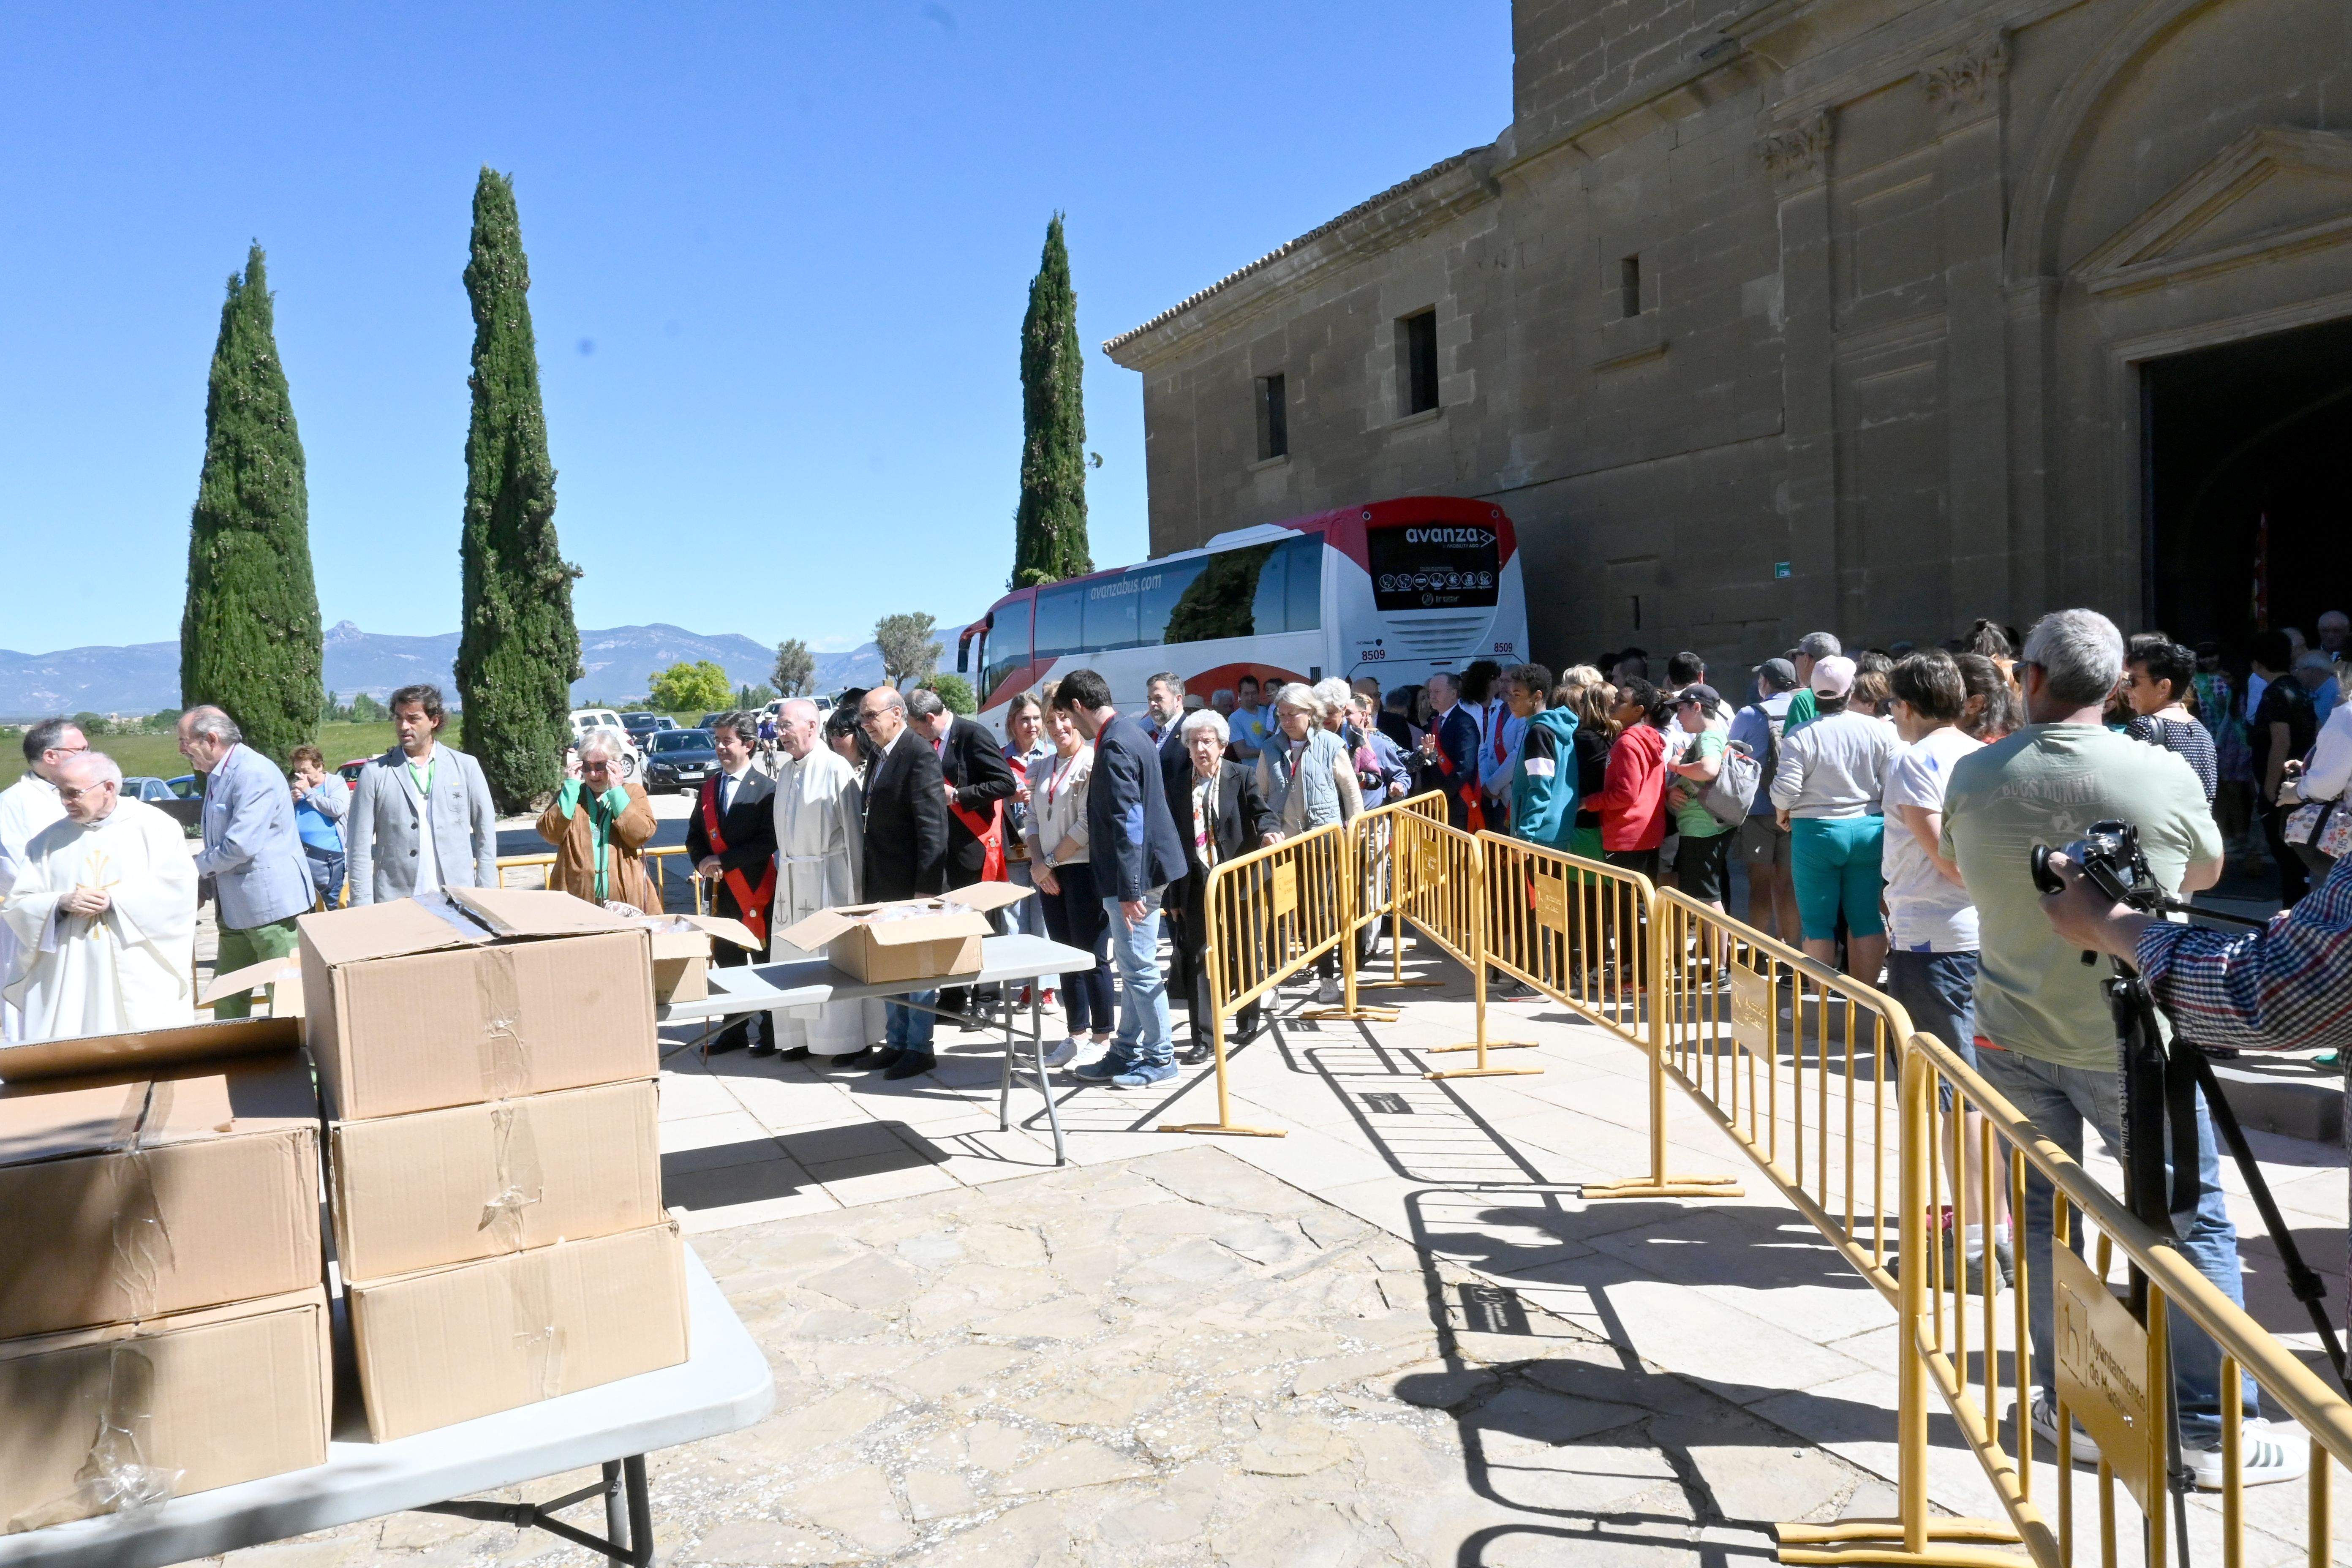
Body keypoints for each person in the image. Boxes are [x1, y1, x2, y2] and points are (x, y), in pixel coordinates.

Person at [1941, 608, 2268, 1481]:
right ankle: (2205, 1425)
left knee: (2046, 1220)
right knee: (2192, 1224)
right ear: (2118, 683)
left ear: (2031, 679)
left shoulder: (1975, 772)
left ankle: (2075, 1399)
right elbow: (2203, 874)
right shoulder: (2157, 768)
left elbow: (1961, 866)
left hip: (2012, 1025)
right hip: (2132, 1035)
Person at [1881, 652, 2006, 1282]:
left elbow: (1947, 862)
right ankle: (1992, 1230)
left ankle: (1982, 1243)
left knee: (1958, 1096)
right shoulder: (1984, 754)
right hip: (1976, 938)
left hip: (1937, 943)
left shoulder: (1918, 760)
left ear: (1906, 706)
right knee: (1975, 1090)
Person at [1051, 670, 1187, 1088]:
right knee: (1132, 967)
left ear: (1077, 706)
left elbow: (1130, 821)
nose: (1068, 726)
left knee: (1139, 968)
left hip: (1135, 878)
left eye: (1066, 716)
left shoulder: (1114, 744)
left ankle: (1161, 1057)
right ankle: (1126, 1051)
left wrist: (1129, 890)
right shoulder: (1131, 731)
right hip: (1140, 873)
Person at [2, 752, 198, 1039]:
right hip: (70, 974)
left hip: (137, 967)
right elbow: (20, 904)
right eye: (61, 793)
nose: (66, 802)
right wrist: (59, 903)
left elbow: (178, 888)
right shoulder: (47, 842)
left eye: (74, 793)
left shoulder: (156, 827)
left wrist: (116, 900)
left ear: (108, 788)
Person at [1769, 656, 1900, 982]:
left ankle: (1821, 1005)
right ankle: (1865, 1001)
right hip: (1869, 829)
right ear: (1851, 689)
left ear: (1813, 693)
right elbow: (1896, 780)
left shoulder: (1801, 735)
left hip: (1815, 833)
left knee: (1816, 924)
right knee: (1867, 918)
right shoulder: (1879, 730)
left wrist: (1783, 810)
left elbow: (1785, 789)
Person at [178, 706, 313, 1020]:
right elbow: (220, 841)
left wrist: (192, 869)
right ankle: (231, 1061)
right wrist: (205, 885)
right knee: (226, 994)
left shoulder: (253, 773)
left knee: (285, 999)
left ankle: (303, 1066)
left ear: (211, 739)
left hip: (271, 910)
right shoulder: (219, 773)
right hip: (235, 908)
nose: (181, 749)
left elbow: (240, 845)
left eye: (185, 740)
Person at [1163, 708, 1277, 1061]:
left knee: (1244, 948)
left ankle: (1247, 1017)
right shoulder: (1178, 784)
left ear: (1223, 744)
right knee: (1198, 956)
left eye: (1207, 742)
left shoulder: (1240, 776)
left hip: (1240, 879)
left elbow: (1262, 812)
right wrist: (1174, 893)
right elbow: (1169, 840)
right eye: (1194, 742)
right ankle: (1205, 1037)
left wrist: (1270, 831)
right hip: (1196, 882)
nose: (1200, 749)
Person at [766, 698, 871, 1064]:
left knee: (831, 959)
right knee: (790, 955)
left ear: (811, 726)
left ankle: (845, 1040)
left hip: (830, 880)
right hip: (793, 879)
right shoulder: (785, 772)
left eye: (786, 727)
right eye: (778, 728)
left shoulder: (835, 768)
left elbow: (855, 835)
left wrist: (857, 894)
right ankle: (798, 1037)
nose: (779, 735)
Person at [856, 687, 950, 1079]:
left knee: (915, 970)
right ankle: (896, 1042)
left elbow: (933, 828)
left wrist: (926, 891)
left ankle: (919, 1047)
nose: (864, 725)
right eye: (862, 718)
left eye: (870, 716)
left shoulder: (918, 754)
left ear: (897, 714)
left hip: (912, 888)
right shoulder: (880, 755)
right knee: (890, 968)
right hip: (882, 883)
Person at [910, 686, 1018, 1014]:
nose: (916, 736)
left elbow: (1005, 783)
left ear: (930, 719)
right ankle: (954, 997)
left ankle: (986, 998)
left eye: (917, 729)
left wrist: (958, 796)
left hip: (974, 848)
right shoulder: (926, 742)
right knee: (950, 926)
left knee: (982, 926)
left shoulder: (972, 734)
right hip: (941, 852)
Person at [1259, 681, 1365, 1006]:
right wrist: (1265, 829)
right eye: (1282, 714)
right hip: (1283, 842)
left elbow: (1350, 793)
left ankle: (1327, 977)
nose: (1287, 720)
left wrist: (1354, 831)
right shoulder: (1270, 748)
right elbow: (1262, 795)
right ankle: (1273, 982)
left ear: (1311, 713)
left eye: (1293, 714)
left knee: (1320, 911)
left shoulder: (1332, 745)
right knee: (1281, 912)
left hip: (1323, 841)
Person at [346, 684, 498, 907]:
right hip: (397, 903)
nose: (403, 726)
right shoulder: (375, 773)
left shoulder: (466, 767)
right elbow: (358, 848)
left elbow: (486, 834)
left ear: (434, 721)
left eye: (413, 719)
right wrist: (363, 907)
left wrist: (486, 894)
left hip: (458, 899)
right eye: (398, 718)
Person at [1026, 685, 1112, 1070]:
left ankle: (1102, 1036)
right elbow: (1031, 819)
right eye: (1050, 720)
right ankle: (1076, 1033)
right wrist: (1037, 864)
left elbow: (1086, 825)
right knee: (1064, 957)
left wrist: (1049, 861)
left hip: (1081, 870)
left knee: (1091, 955)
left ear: (1075, 718)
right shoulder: (1044, 765)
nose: (1058, 726)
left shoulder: (1091, 762)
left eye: (1063, 717)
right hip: (1048, 873)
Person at [687, 712, 779, 1055]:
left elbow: (769, 840)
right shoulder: (710, 788)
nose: (721, 748)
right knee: (728, 961)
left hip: (759, 890)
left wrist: (723, 861)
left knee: (766, 962)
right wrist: (701, 862)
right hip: (722, 893)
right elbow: (695, 836)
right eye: (718, 741)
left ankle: (771, 1029)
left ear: (749, 745)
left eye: (727, 740)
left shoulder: (767, 790)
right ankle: (734, 1028)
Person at [0, 719, 86, 1042]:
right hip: (37, 923)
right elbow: (14, 868)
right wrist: (62, 899)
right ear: (51, 756)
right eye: (81, 749)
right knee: (36, 1009)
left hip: (85, 915)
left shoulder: (85, 793)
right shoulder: (15, 803)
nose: (88, 755)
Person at [536, 727, 658, 911]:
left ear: (615, 764)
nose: (593, 774)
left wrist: (617, 792)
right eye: (587, 767)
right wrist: (570, 788)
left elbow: (640, 835)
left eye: (601, 766)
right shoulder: (571, 794)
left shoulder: (633, 792)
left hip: (624, 899)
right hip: (575, 900)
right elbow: (551, 834)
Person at [1729, 660, 1800, 942]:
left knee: (1759, 885)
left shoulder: (1749, 714)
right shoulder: (1804, 709)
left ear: (1766, 683)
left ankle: (1759, 953)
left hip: (1758, 810)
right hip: (1795, 809)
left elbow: (1730, 758)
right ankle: (1792, 955)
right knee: (1789, 886)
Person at [2248, 630, 2317, 903]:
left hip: (2283, 787)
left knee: (2288, 858)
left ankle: (2292, 919)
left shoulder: (2276, 693)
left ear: (2257, 663)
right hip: (2300, 780)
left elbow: (2281, 743)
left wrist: (2268, 790)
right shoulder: (2298, 688)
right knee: (2295, 860)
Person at [1663, 684, 1736, 912]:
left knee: (1709, 897)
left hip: (1702, 829)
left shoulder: (1709, 737)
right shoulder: (1708, 736)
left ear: (1697, 707)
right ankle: (1714, 949)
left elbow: (1708, 769)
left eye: (1681, 709)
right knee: (1703, 896)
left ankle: (1719, 950)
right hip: (1700, 827)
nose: (1678, 716)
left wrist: (1676, 768)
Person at [2124, 637, 2217, 803]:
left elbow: (2130, 793)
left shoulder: (2143, 727)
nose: (2126, 689)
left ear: (2163, 687)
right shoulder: (2201, 731)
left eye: (2133, 681)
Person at [999, 692, 1053, 959]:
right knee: (1014, 914)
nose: (1032, 725)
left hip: (1047, 850)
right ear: (1012, 723)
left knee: (1044, 916)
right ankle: (1020, 985)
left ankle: (1045, 987)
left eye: (1036, 719)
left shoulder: (1054, 755)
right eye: (1024, 719)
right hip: (1013, 850)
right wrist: (1009, 797)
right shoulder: (998, 759)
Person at [1505, 664, 1578, 853]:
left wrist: (1525, 836)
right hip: (1557, 831)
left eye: (1517, 694)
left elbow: (1540, 789)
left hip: (1539, 838)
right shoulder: (1551, 728)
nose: (1510, 700)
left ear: (1537, 696)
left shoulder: (1538, 733)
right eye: (1510, 693)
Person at [1418, 670, 1483, 830]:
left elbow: (1465, 766)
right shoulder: (1434, 723)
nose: (1432, 696)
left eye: (1438, 692)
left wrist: (1443, 794)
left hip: (1458, 800)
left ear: (1454, 693)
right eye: (1430, 692)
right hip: (1437, 801)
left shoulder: (1464, 722)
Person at [288, 745, 348, 909]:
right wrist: (291, 802)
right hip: (301, 855)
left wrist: (309, 793)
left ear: (319, 766)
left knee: (332, 905)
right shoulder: (298, 789)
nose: (302, 776)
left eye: (306, 771)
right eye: (298, 772)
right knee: (306, 906)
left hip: (329, 858)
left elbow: (336, 808)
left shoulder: (335, 783)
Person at [1781, 632, 1843, 733]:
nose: (1795, 662)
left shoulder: (1803, 700)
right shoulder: (1853, 694)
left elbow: (1793, 746)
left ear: (1806, 659)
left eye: (1795, 657)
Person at [1227, 673, 1272, 764]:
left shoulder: (1268, 711)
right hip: (1252, 772)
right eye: (1246, 694)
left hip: (1274, 767)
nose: (1250, 698)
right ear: (1240, 695)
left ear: (1259, 693)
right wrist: (1270, 751)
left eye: (1253, 693)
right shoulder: (1234, 718)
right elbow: (1242, 752)